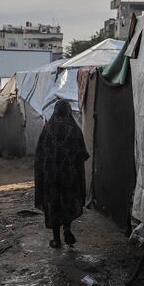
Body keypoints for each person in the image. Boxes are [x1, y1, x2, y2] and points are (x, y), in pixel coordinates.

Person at [34, 99, 89, 248]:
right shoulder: (74, 129)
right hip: (69, 177)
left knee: (54, 206)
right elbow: (82, 154)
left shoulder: (48, 129)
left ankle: (56, 239)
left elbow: (39, 155)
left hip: (51, 178)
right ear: (68, 111)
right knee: (68, 203)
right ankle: (67, 228)